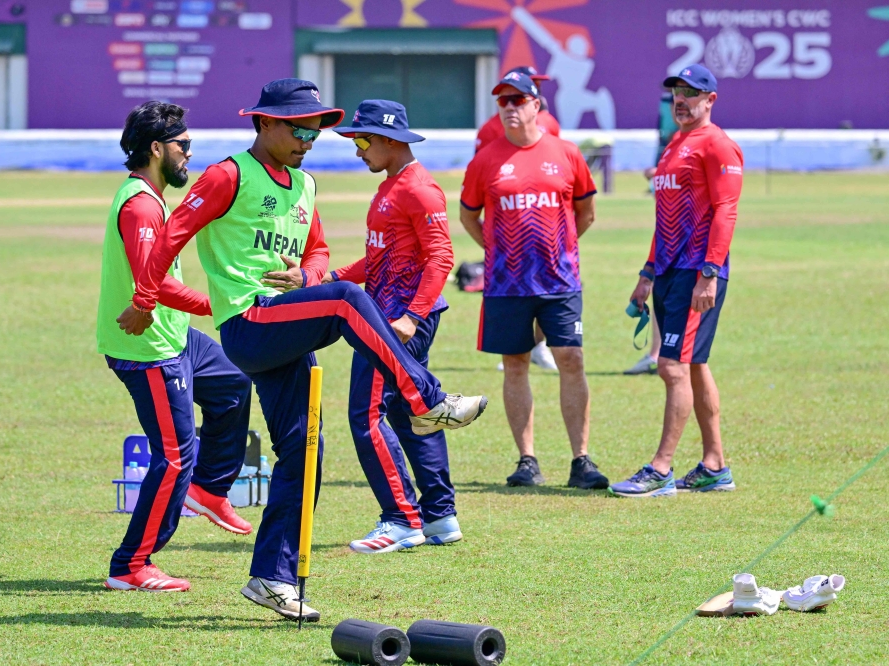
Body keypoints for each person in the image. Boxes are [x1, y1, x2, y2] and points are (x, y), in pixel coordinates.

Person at [115, 79, 488, 621]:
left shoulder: (306, 185)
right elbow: (174, 232)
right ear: (264, 122)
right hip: (248, 323)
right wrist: (146, 297)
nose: (309, 139)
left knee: (305, 455)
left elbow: (318, 252)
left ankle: (271, 578)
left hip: (285, 322)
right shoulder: (227, 174)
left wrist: (308, 273)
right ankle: (427, 400)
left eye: (315, 130)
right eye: (298, 128)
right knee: (345, 301)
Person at [96, 102, 253, 593]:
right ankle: (131, 565)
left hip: (176, 338)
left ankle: (209, 491)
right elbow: (151, 280)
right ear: (156, 148)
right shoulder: (142, 204)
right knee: (174, 456)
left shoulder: (155, 198)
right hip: (148, 350)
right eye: (184, 146)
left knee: (234, 381)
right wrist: (218, 305)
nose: (190, 155)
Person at [324, 99, 461, 553]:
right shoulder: (390, 186)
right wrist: (329, 279)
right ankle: (440, 517)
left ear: (388, 139)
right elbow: (378, 258)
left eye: (362, 140)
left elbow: (441, 256)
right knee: (412, 413)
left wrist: (411, 317)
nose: (357, 150)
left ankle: (401, 519)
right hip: (388, 316)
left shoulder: (419, 188)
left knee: (365, 415)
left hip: (396, 321)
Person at [459, 70, 607, 490]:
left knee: (571, 361)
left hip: (559, 282)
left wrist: (561, 248)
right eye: (502, 101)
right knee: (515, 365)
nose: (509, 108)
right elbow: (469, 215)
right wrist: (495, 250)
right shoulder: (486, 158)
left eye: (517, 100)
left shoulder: (566, 152)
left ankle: (581, 461)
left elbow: (586, 211)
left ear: (536, 105)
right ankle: (527, 461)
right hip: (506, 286)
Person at [609, 65, 742, 498]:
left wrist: (709, 273)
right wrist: (647, 274)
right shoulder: (674, 146)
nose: (680, 100)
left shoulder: (717, 145)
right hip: (668, 272)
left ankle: (661, 470)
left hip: (695, 273)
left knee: (671, 366)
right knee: (695, 365)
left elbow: (726, 211)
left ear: (711, 99)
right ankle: (715, 465)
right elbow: (664, 220)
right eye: (675, 93)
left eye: (690, 92)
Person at [478, 66, 561, 373]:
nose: (512, 105)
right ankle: (516, 348)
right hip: (505, 235)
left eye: (523, 96)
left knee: (547, 299)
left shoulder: (551, 125)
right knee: (513, 298)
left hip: (548, 241)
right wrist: (493, 240)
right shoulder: (488, 130)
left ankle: (539, 346)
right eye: (505, 99)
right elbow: (476, 196)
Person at [625, 90, 678, 376]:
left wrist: (654, 174)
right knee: (659, 292)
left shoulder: (685, 142)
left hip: (685, 247)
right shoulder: (670, 144)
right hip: (666, 237)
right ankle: (657, 354)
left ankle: (660, 355)